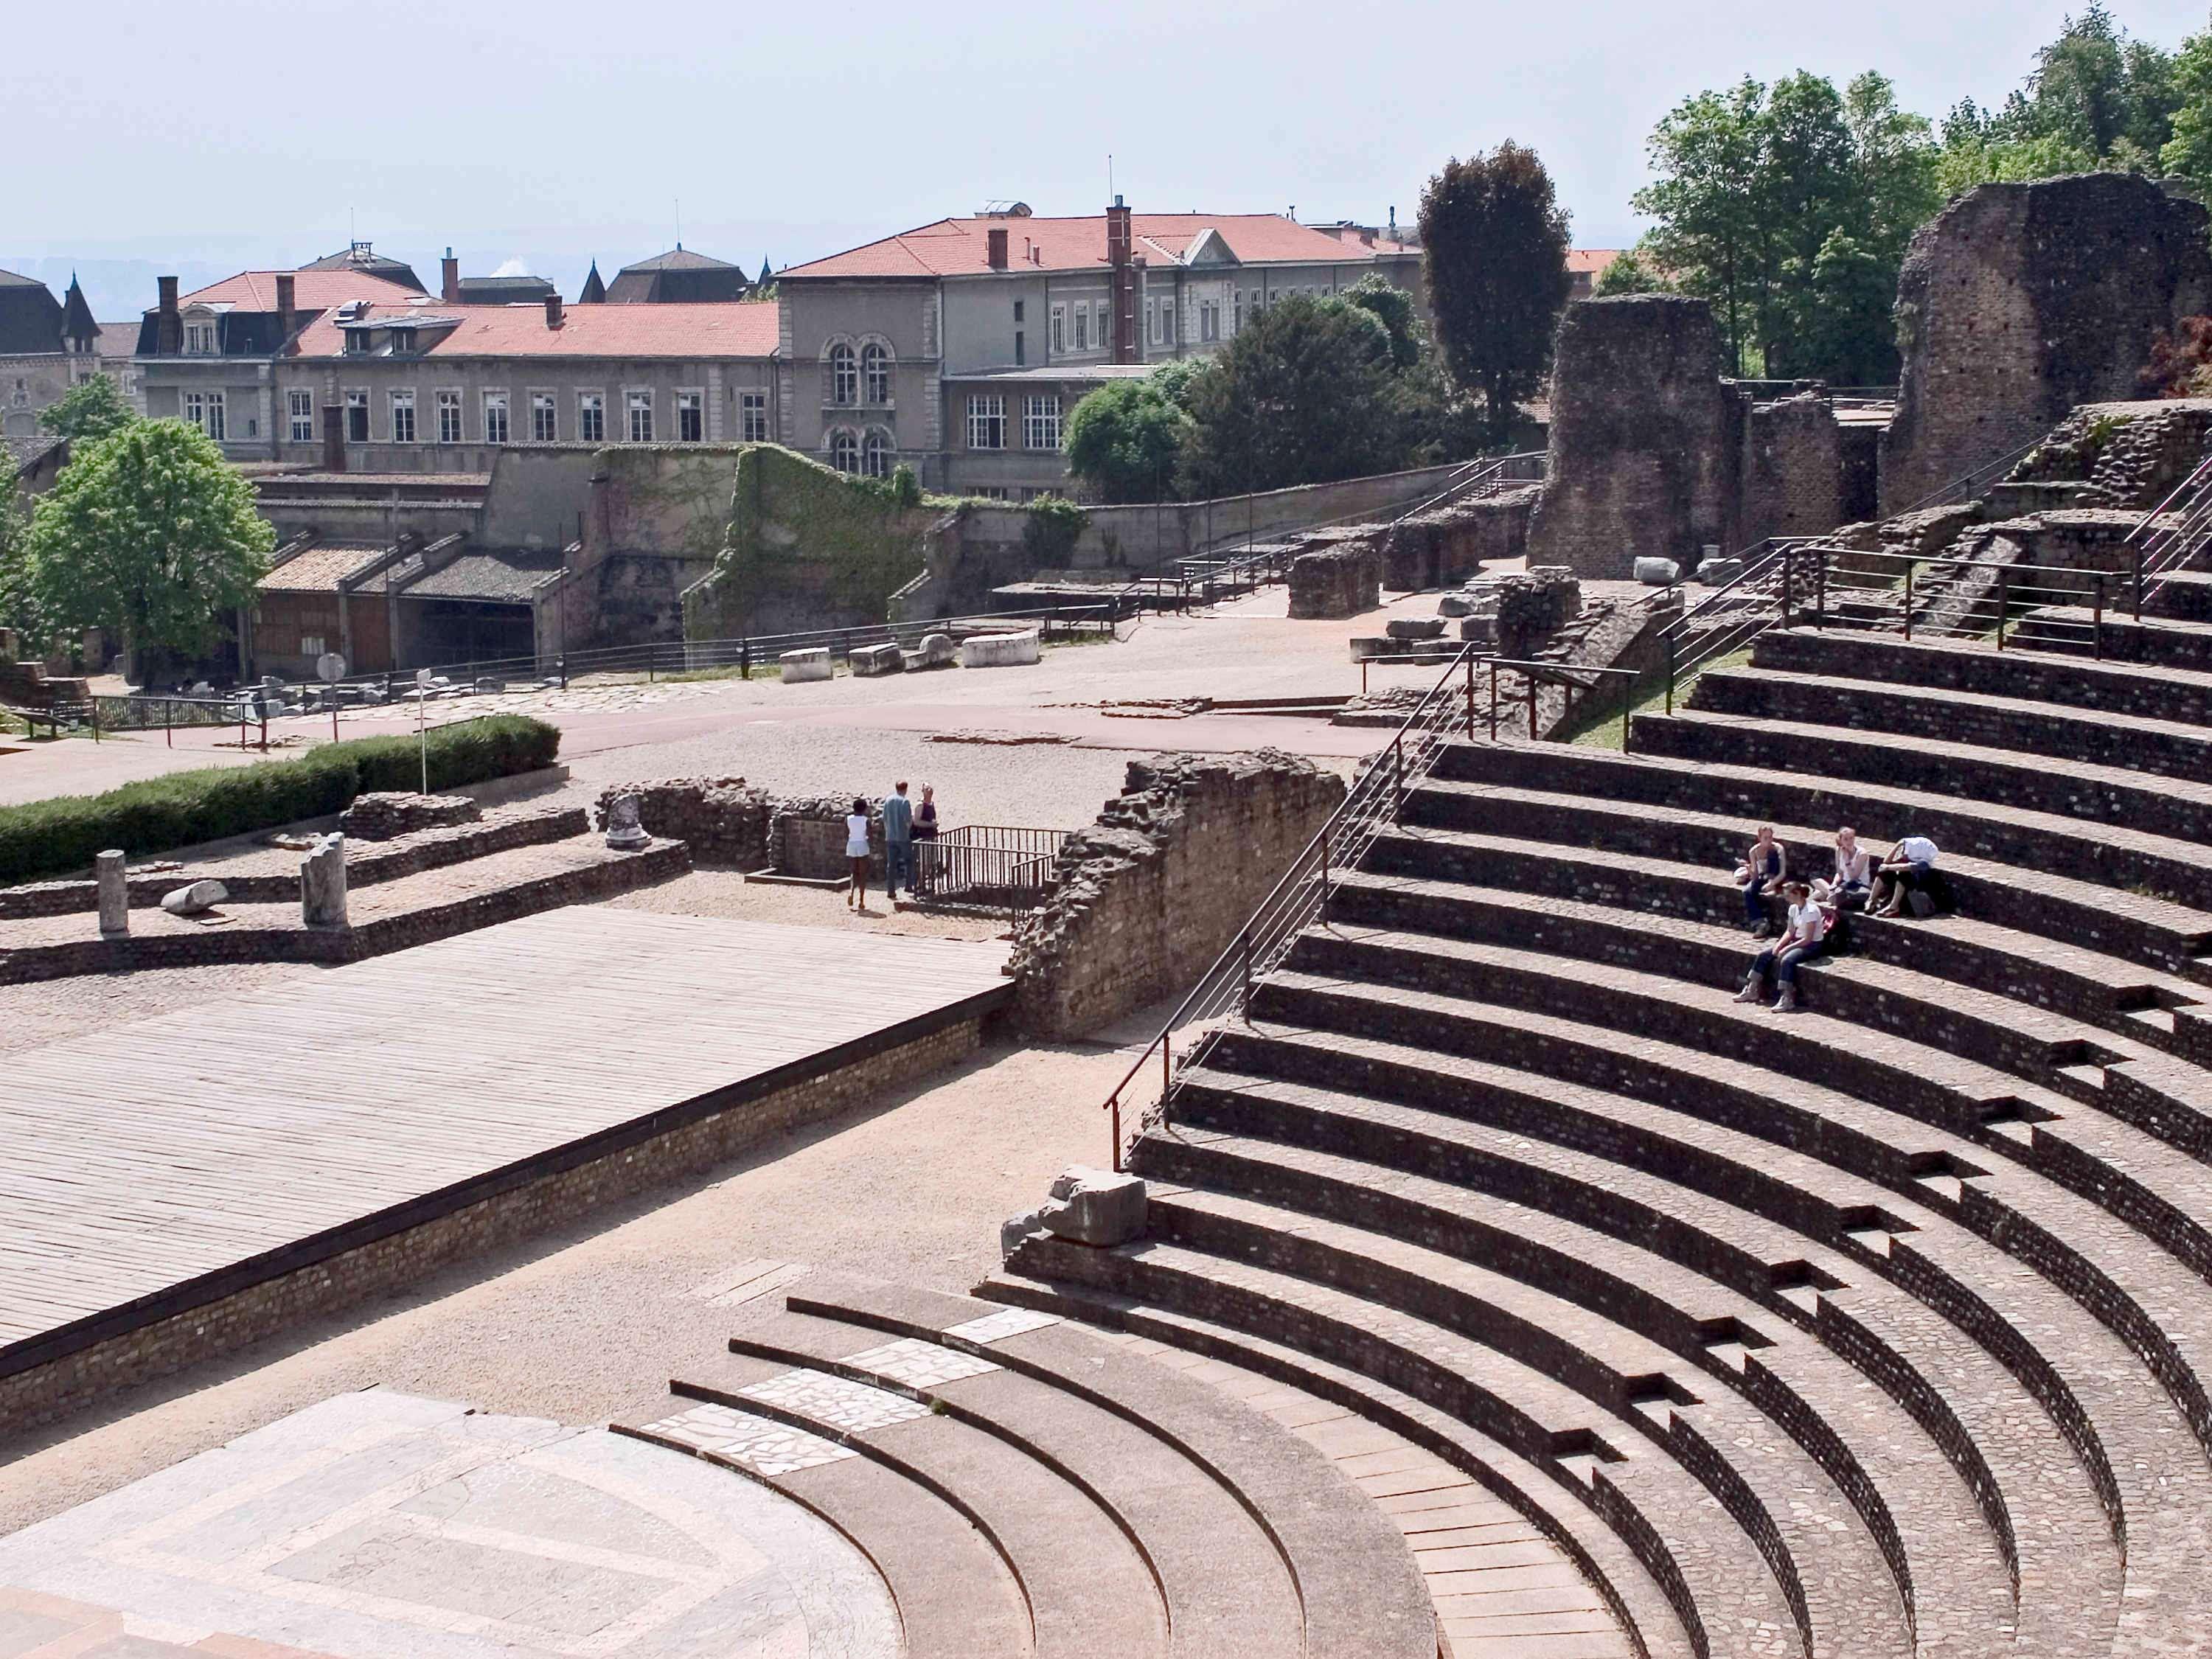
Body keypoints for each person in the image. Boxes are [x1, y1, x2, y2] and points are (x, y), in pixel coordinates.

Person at [1735, 879, 1827, 1012]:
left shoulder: (1811, 911)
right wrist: (1779, 945)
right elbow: (1790, 931)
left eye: (1788, 895)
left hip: (1812, 945)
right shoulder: (1793, 908)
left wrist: (1787, 948)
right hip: (1797, 941)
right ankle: (1752, 988)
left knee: (1787, 960)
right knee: (1764, 955)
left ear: (1797, 894)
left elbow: (1808, 939)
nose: (1786, 898)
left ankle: (1787, 998)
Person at [1735, 825, 1788, 937]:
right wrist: (1749, 869)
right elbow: (1755, 876)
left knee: (1772, 854)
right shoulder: (1753, 851)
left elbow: (1783, 872)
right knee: (1747, 892)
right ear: (1759, 838)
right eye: (1766, 838)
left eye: (1770, 837)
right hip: (1762, 877)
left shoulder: (1778, 848)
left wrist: (1772, 883)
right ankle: (1760, 924)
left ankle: (1772, 887)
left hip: (1775, 877)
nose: (1769, 841)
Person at [1871, 835, 1941, 918]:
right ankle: (1871, 900)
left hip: (1916, 901)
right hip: (1906, 896)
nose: (1903, 851)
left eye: (1906, 849)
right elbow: (1886, 862)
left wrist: (1887, 867)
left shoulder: (1924, 863)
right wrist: (1898, 845)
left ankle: (1893, 907)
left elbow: (1905, 867)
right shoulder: (1908, 860)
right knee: (1885, 871)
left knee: (1904, 874)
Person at [1813, 827, 1872, 914]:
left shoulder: (1862, 854)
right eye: (1846, 839)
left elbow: (1854, 877)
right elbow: (1840, 873)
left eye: (1851, 838)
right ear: (1841, 840)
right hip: (1844, 883)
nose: (1849, 841)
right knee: (1815, 881)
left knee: (1825, 897)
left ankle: (1825, 893)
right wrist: (1834, 885)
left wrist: (1847, 861)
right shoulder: (1839, 850)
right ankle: (1828, 892)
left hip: (1858, 884)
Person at [882, 780, 915, 901]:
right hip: (903, 837)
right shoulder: (904, 802)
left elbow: (884, 818)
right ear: (905, 789)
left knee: (891, 865)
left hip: (890, 837)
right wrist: (909, 829)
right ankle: (909, 886)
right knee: (910, 861)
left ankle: (891, 891)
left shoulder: (888, 800)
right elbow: (908, 821)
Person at [844, 797, 872, 911]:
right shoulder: (866, 820)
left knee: (853, 871)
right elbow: (869, 834)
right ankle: (861, 900)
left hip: (851, 844)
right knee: (863, 873)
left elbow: (846, 833)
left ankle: (851, 892)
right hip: (862, 845)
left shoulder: (848, 819)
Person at [912, 784, 940, 897]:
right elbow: (916, 822)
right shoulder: (920, 805)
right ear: (923, 791)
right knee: (924, 863)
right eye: (927, 789)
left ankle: (927, 886)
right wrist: (930, 825)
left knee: (930, 863)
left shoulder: (931, 804)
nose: (930, 790)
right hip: (924, 837)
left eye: (930, 788)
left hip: (931, 836)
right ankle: (920, 886)